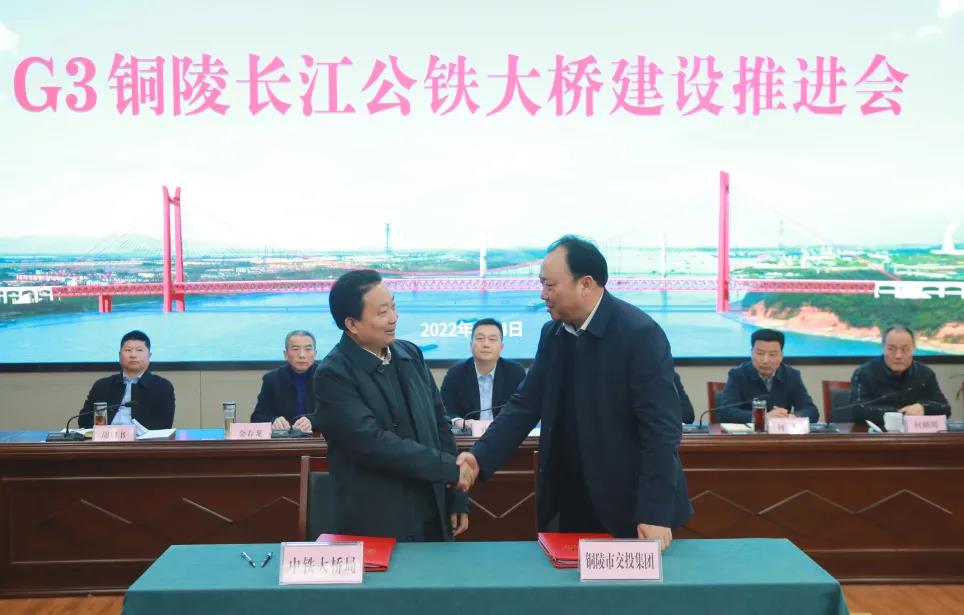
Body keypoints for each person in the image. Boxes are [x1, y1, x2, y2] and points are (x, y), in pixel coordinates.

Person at [456, 236, 691, 551]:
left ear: (586, 284)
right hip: (569, 500)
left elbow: (662, 429)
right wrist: (479, 458)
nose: (543, 294)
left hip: (631, 508)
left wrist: (654, 512)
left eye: (550, 285)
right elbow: (525, 405)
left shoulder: (639, 335)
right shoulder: (553, 333)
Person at [311, 270, 469, 542]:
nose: (394, 318)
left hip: (433, 511)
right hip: (378, 522)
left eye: (394, 307)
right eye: (383, 312)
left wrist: (456, 494)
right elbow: (372, 443)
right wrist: (449, 468)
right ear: (352, 324)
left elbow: (439, 424)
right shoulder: (333, 374)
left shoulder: (410, 354)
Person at [846, 325, 950, 426]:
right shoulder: (864, 373)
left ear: (913, 349)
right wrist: (899, 413)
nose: (898, 356)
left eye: (905, 349)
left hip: (914, 435)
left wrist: (923, 408)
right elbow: (856, 410)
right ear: (883, 348)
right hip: (875, 435)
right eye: (891, 349)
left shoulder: (925, 373)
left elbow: (945, 408)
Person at [716, 329, 819, 423]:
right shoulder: (737, 375)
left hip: (780, 435)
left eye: (772, 354)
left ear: (781, 356)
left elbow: (811, 411)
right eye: (760, 353)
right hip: (748, 435)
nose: (765, 360)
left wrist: (793, 417)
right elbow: (726, 412)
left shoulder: (791, 375)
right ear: (751, 353)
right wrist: (762, 417)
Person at [79, 330, 175, 429]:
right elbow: (84, 421)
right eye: (128, 350)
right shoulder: (102, 385)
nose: (133, 355)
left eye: (139, 350)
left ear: (149, 356)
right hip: (106, 437)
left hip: (142, 438)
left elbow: (164, 424)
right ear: (119, 355)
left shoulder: (162, 386)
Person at [440, 318, 527, 426]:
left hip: (505, 433)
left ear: (501, 346)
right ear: (471, 345)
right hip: (468, 434)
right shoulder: (456, 373)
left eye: (492, 339)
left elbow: (523, 408)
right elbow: (445, 410)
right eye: (480, 338)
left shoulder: (515, 372)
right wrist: (460, 422)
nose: (486, 344)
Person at [250, 330, 318, 433]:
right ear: (285, 354)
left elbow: (336, 414)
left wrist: (313, 421)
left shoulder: (327, 378)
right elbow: (257, 417)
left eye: (308, 349)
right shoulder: (272, 379)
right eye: (295, 349)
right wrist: (273, 421)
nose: (302, 355)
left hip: (318, 439)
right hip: (284, 439)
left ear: (315, 354)